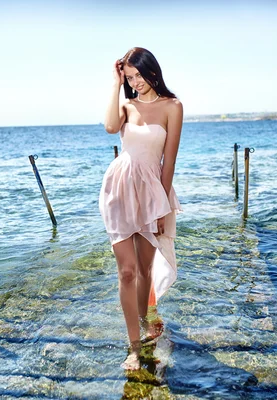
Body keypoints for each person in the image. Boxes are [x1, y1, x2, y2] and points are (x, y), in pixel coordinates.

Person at [99, 47, 183, 370]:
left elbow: (169, 160)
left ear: (152, 71)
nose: (136, 82)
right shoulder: (126, 103)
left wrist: (162, 205)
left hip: (151, 194)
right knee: (127, 271)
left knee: (145, 270)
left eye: (139, 75)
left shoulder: (172, 107)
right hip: (119, 190)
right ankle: (133, 347)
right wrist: (116, 84)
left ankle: (148, 319)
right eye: (130, 76)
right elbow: (109, 127)